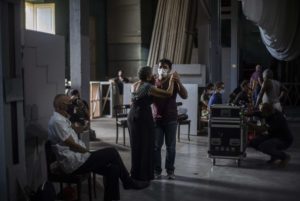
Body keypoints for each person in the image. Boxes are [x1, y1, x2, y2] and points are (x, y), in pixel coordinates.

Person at [48, 94, 149, 201]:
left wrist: (83, 112)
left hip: (80, 158)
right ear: (60, 106)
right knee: (112, 152)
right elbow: (71, 143)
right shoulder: (57, 121)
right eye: (68, 103)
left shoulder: (63, 119)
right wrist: (87, 152)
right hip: (74, 163)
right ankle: (128, 181)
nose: (70, 105)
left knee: (113, 169)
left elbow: (79, 130)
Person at [127, 66, 177, 182]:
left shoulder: (134, 85)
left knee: (135, 145)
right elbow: (168, 94)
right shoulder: (148, 87)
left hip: (132, 115)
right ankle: (144, 175)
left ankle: (135, 172)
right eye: (151, 74)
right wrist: (172, 81)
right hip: (143, 116)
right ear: (148, 76)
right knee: (146, 145)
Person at [152, 58, 188, 180]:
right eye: (160, 66)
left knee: (170, 146)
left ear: (170, 69)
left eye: (165, 67)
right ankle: (157, 170)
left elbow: (185, 95)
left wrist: (179, 82)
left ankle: (170, 171)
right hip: (157, 118)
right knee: (156, 146)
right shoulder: (154, 81)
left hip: (171, 118)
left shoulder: (173, 81)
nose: (162, 69)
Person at [246, 103, 293, 167]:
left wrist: (247, 123)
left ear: (267, 111)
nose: (261, 113)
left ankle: (284, 157)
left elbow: (261, 129)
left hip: (284, 139)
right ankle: (275, 155)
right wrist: (246, 114)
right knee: (253, 142)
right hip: (273, 136)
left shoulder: (277, 118)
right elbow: (258, 113)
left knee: (264, 146)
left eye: (262, 111)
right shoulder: (269, 112)